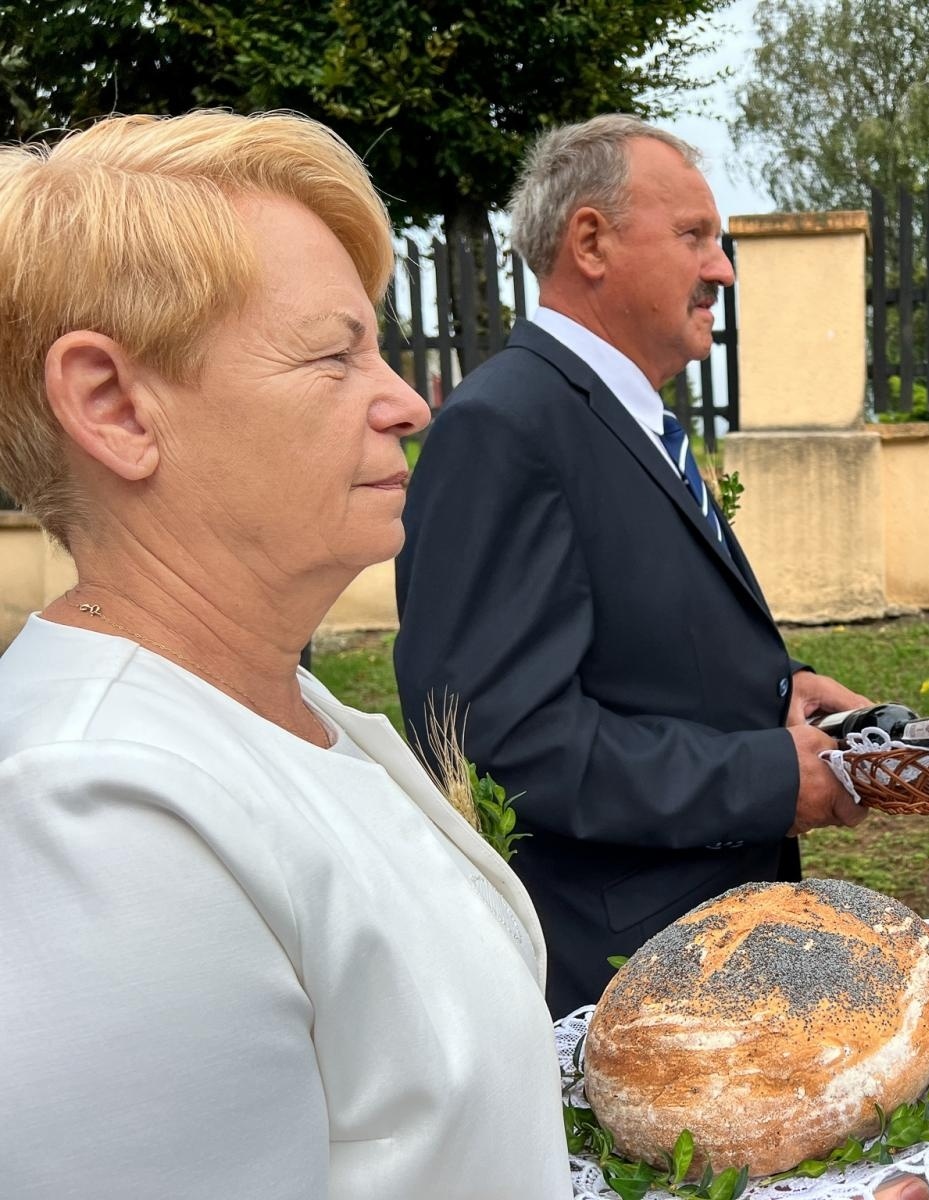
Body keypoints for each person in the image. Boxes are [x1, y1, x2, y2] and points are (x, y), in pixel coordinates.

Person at [0, 110, 574, 1198]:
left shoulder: (274, 704)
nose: (406, 402)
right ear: (115, 405)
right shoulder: (91, 815)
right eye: (333, 353)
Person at [394, 115, 870, 1018]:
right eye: (695, 236)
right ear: (590, 242)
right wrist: (768, 777)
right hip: (621, 974)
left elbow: (636, 642)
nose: (722, 268)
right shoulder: (506, 427)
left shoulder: (625, 420)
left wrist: (782, 692)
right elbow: (498, 741)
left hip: (704, 938)